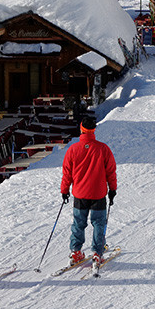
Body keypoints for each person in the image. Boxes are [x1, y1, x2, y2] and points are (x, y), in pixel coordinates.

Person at [60, 113, 118, 266]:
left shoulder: (73, 150)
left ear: (81, 129)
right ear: (93, 131)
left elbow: (67, 173)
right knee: (99, 223)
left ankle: (76, 251)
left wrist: (64, 190)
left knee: (79, 222)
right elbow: (111, 171)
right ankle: (97, 253)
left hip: (80, 194)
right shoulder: (103, 149)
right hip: (98, 194)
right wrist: (112, 189)